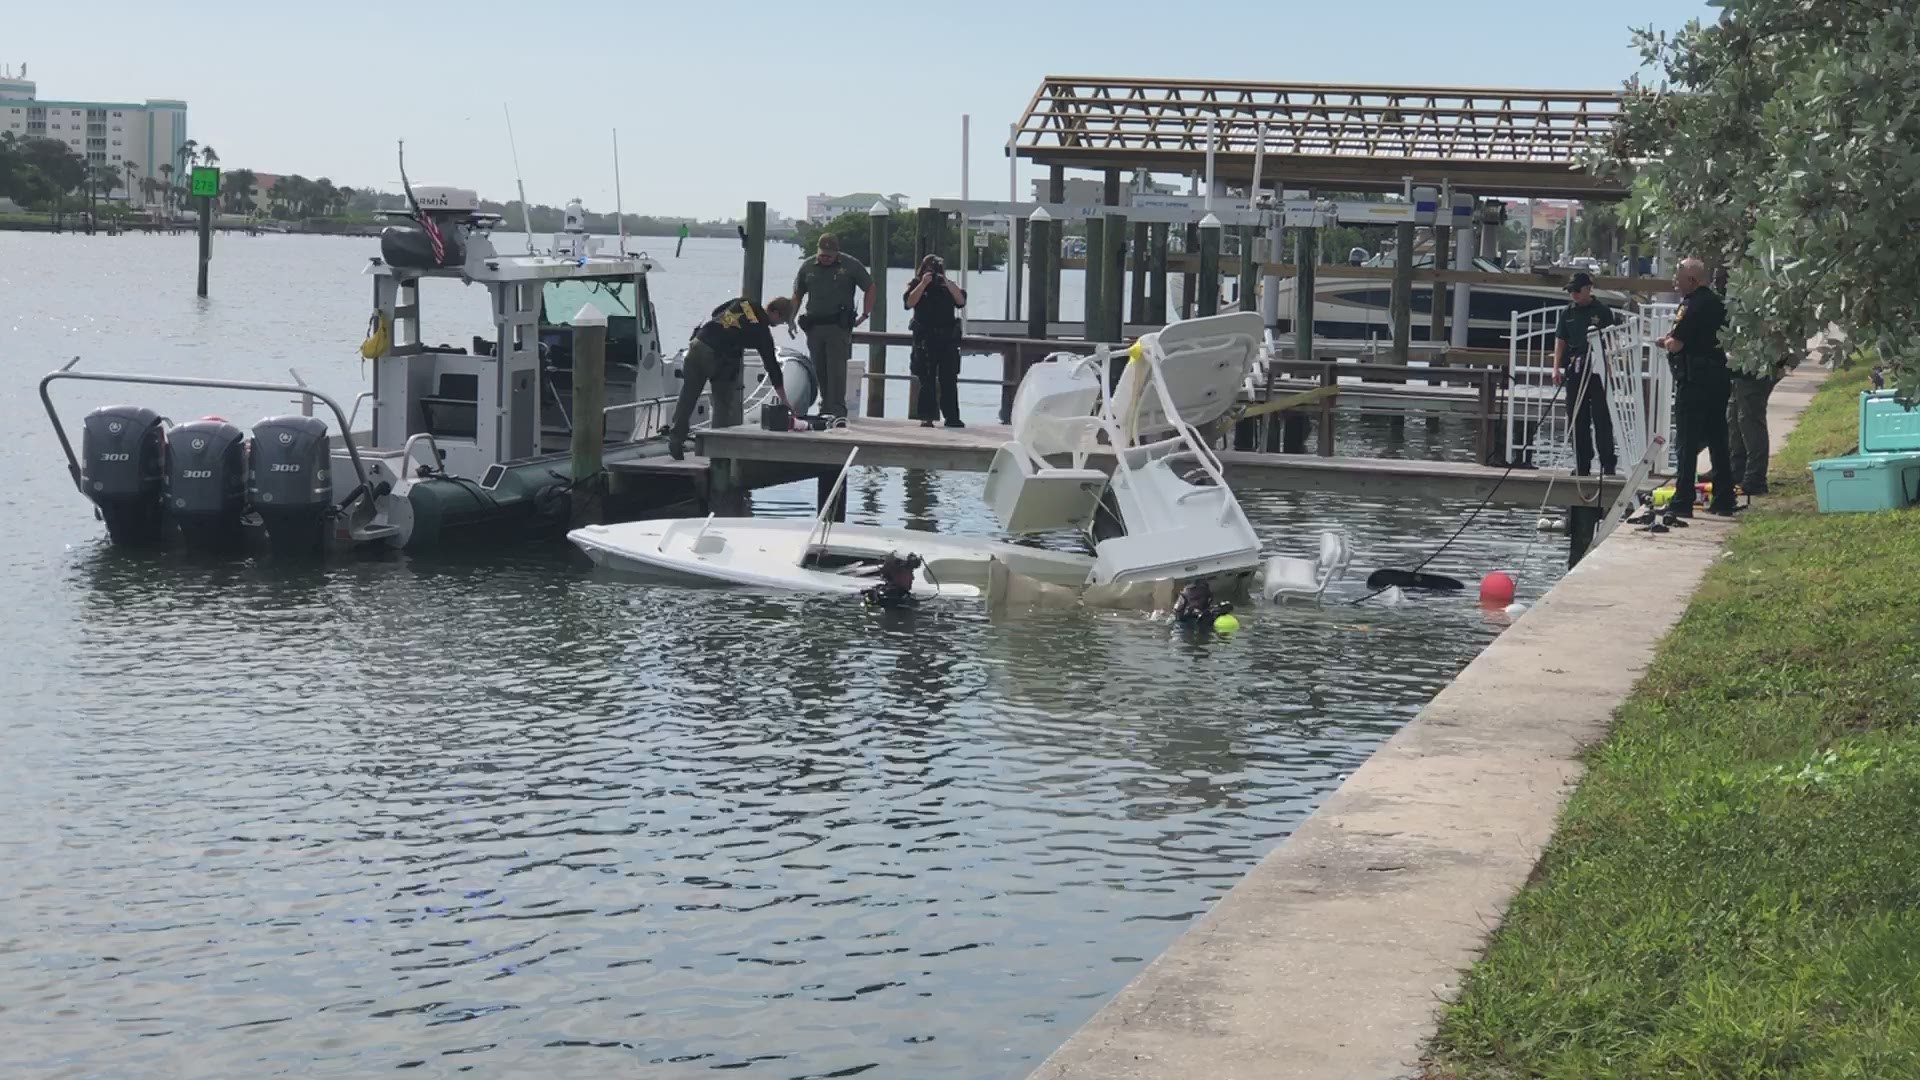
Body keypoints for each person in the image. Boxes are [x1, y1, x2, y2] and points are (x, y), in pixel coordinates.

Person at [1656, 258, 1738, 517]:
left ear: (1691, 280)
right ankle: (1724, 497)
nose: (1675, 284)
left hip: (1693, 381)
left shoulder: (1692, 305)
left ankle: (1683, 499)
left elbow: (1678, 343)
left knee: (1687, 442)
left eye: (1678, 279)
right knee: (1718, 439)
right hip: (1717, 378)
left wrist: (1665, 342)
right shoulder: (1717, 303)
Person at [667, 295, 794, 460]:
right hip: (718, 356)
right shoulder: (762, 332)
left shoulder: (746, 302)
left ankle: (676, 440)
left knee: (688, 396)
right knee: (722, 403)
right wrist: (784, 399)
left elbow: (716, 313)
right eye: (782, 321)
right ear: (775, 313)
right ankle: (717, 450)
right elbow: (772, 365)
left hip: (698, 344)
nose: (780, 324)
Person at [790, 233, 874, 421]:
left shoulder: (851, 265)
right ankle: (825, 406)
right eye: (822, 254)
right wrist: (791, 318)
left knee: (836, 368)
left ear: (837, 252)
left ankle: (837, 409)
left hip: (838, 326)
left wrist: (865, 314)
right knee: (819, 367)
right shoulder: (808, 266)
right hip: (814, 326)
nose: (825, 257)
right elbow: (797, 294)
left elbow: (870, 287)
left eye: (829, 254)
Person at [1551, 271, 1621, 476]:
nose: (1573, 294)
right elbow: (1560, 340)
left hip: (1597, 368)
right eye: (1570, 290)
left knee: (1601, 417)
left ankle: (1608, 462)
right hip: (1575, 367)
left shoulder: (1602, 311)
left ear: (1588, 289)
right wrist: (1556, 367)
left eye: (1576, 290)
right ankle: (1582, 462)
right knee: (1576, 417)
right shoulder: (1568, 312)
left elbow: (1611, 339)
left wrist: (1609, 363)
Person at [904, 253, 968, 428]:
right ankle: (927, 416)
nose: (932, 274)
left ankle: (952, 417)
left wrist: (946, 282)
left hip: (947, 339)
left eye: (936, 271)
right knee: (927, 380)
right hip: (925, 339)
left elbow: (961, 301)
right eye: (929, 270)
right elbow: (909, 303)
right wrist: (924, 284)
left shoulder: (948, 286)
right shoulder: (916, 285)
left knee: (949, 379)